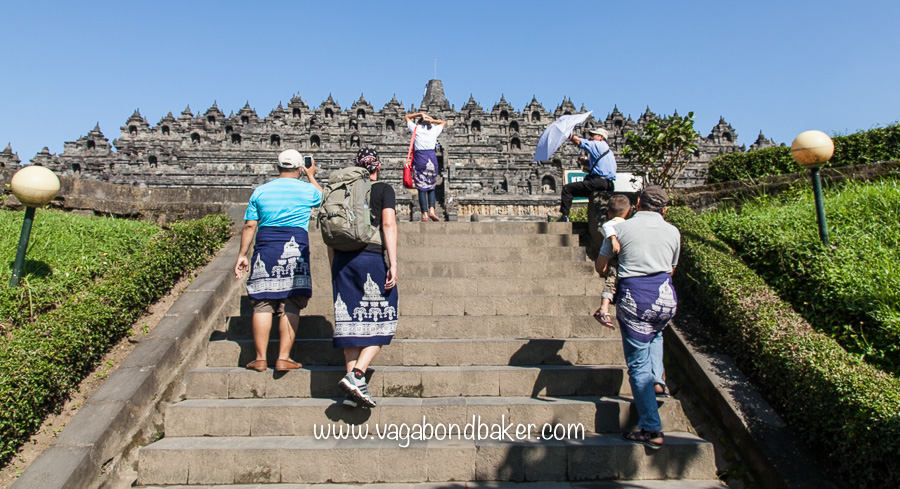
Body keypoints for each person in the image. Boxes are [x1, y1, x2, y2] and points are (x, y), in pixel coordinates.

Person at [595, 185, 680, 449]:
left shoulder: (621, 229)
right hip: (666, 297)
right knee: (656, 333)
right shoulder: (673, 231)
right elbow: (672, 268)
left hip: (636, 298)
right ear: (664, 209)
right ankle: (658, 381)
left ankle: (652, 429)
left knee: (637, 365)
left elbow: (601, 266)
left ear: (638, 202)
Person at [234, 149, 323, 372]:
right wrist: (311, 176)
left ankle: (260, 358)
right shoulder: (306, 189)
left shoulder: (261, 191)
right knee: (291, 302)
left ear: (277, 167)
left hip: (266, 245)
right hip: (296, 242)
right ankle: (284, 357)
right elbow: (324, 200)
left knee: (263, 303)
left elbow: (249, 225)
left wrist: (242, 254)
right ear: (300, 167)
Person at [330, 147, 399, 408]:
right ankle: (358, 374)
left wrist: (333, 266)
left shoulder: (341, 190)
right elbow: (389, 224)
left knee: (350, 322)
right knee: (385, 317)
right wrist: (392, 262)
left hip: (342, 259)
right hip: (370, 256)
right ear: (377, 167)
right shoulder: (383, 189)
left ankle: (352, 389)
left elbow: (331, 228)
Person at [556, 127, 617, 222]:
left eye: (594, 135)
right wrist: (585, 162)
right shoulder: (608, 151)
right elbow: (600, 166)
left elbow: (579, 142)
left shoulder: (598, 145)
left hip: (598, 182)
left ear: (601, 137)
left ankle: (565, 217)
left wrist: (568, 134)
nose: (591, 137)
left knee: (568, 189)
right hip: (609, 184)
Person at [593, 194, 631, 328]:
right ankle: (603, 309)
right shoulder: (623, 224)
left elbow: (607, 226)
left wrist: (613, 239)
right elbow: (607, 226)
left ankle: (604, 309)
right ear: (629, 210)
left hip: (617, 261)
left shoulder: (618, 224)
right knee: (611, 282)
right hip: (619, 262)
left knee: (611, 282)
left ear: (609, 212)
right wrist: (613, 239)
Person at [405, 111, 445, 221]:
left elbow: (407, 117)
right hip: (431, 158)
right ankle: (432, 210)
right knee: (431, 186)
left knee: (421, 187)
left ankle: (425, 215)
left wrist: (420, 114)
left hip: (419, 159)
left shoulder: (416, 129)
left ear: (419, 123)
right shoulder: (433, 130)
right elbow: (443, 122)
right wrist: (432, 120)